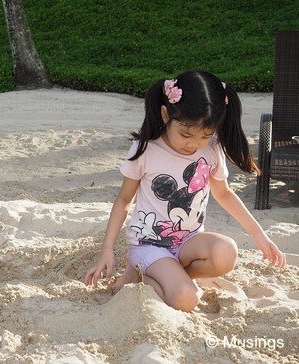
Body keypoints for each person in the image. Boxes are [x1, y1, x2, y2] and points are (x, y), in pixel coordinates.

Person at [85, 70, 286, 312]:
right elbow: (124, 200)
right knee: (186, 299)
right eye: (185, 133)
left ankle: (169, 275)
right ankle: (141, 273)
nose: (194, 143)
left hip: (187, 241)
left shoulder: (212, 148)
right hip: (149, 244)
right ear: (165, 113)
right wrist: (107, 251)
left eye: (205, 135)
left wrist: (258, 234)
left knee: (226, 252)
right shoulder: (146, 149)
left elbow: (223, 193)